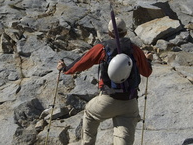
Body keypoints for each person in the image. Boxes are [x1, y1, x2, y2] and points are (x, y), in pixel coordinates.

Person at [57, 17, 153, 145]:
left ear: (109, 33)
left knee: (90, 114)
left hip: (108, 100)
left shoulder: (102, 48)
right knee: (123, 139)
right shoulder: (135, 50)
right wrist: (148, 60)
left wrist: (65, 69)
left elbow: (81, 63)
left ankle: (87, 143)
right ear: (125, 32)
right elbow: (147, 72)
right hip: (130, 102)